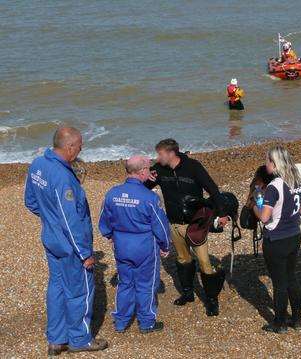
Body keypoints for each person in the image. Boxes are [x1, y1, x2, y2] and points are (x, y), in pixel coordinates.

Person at [24, 127, 108, 355]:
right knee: (80, 291)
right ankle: (79, 339)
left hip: (51, 239)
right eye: (80, 145)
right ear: (70, 147)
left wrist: (50, 221)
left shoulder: (38, 165)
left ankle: (56, 339)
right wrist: (84, 254)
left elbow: (30, 202)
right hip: (70, 246)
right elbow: (70, 220)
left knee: (57, 287)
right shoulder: (62, 177)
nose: (81, 149)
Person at [144, 139, 229, 316]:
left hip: (196, 223)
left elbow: (213, 190)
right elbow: (145, 188)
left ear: (171, 153)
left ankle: (212, 300)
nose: (157, 158)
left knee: (205, 262)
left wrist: (222, 214)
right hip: (175, 223)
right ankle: (188, 293)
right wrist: (146, 179)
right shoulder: (159, 169)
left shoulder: (193, 167)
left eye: (160, 154)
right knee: (183, 259)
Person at [99, 155, 171, 334]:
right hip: (144, 246)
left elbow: (104, 219)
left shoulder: (112, 193)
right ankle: (146, 322)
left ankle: (121, 321)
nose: (150, 170)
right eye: (148, 167)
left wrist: (110, 235)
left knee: (125, 283)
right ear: (141, 172)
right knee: (146, 284)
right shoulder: (149, 198)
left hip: (122, 245)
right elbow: (161, 226)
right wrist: (165, 245)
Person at [252, 145, 301, 334]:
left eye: (268, 160)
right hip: (293, 235)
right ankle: (297, 318)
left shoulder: (273, 186)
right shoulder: (299, 181)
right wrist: (288, 215)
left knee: (279, 283)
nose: (266, 164)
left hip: (276, 239)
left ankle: (279, 323)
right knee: (291, 277)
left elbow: (264, 217)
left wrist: (254, 206)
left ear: (275, 164)